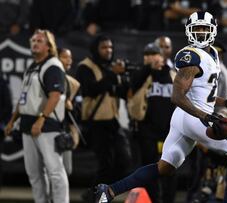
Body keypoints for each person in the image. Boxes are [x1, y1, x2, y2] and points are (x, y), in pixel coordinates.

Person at [94, 11, 227, 203]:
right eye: (197, 29)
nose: (200, 33)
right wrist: (205, 116)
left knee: (164, 167)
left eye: (204, 29)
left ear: (213, 31)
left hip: (186, 117)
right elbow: (177, 96)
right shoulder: (190, 56)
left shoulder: (213, 54)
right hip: (194, 116)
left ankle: (109, 191)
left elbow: (201, 92)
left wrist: (225, 102)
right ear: (189, 31)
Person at [4, 29, 69, 203]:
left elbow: (55, 95)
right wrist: (12, 121)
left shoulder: (53, 65)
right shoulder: (33, 66)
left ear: (49, 46)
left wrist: (41, 119)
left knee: (55, 170)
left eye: (39, 41)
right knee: (34, 173)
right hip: (27, 123)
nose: (35, 43)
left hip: (46, 125)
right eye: (33, 40)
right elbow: (23, 98)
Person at [75, 34, 133, 202]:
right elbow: (91, 89)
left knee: (124, 160)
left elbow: (122, 92)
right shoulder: (85, 67)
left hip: (112, 121)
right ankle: (96, 195)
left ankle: (95, 193)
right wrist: (112, 75)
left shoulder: (110, 68)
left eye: (110, 47)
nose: (108, 51)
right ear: (95, 49)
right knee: (105, 163)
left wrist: (126, 79)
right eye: (104, 47)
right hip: (95, 122)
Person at [129, 42, 177, 203]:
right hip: (147, 130)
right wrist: (148, 68)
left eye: (154, 54)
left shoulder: (172, 74)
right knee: (149, 170)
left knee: (170, 170)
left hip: (169, 131)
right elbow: (132, 86)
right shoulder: (141, 74)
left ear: (161, 57)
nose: (150, 57)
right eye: (147, 54)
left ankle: (168, 200)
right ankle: (153, 200)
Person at [58, 48, 81, 176]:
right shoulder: (47, 78)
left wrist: (71, 105)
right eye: (65, 57)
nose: (69, 60)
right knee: (51, 170)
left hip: (65, 130)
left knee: (66, 170)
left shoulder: (72, 83)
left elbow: (77, 110)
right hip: (48, 129)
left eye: (70, 57)